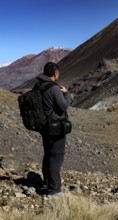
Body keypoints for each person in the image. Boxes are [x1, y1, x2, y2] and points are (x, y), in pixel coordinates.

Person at [35, 62, 73, 196]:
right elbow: (63, 106)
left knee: (48, 155)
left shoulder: (38, 85)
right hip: (55, 127)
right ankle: (55, 189)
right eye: (58, 73)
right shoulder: (54, 88)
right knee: (56, 156)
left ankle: (46, 183)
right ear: (55, 73)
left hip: (44, 126)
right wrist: (67, 94)